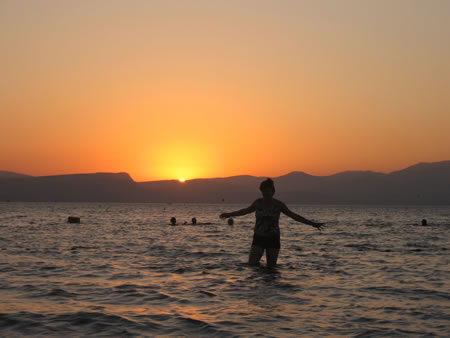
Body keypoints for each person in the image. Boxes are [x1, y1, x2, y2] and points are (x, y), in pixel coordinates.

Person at [220, 178, 325, 267]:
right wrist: (228, 214)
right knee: (252, 265)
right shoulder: (258, 203)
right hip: (258, 238)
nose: (266, 193)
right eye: (264, 191)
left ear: (273, 191)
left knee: (271, 269)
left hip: (273, 239)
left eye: (268, 190)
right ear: (261, 192)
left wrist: (312, 223)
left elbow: (294, 216)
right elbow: (244, 211)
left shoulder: (279, 205)